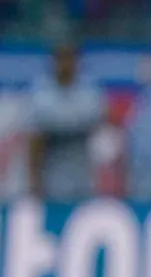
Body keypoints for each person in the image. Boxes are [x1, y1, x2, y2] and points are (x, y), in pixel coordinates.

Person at [28, 42, 107, 201]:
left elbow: (100, 125)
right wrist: (35, 184)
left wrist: (55, 126)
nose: (66, 65)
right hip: (51, 183)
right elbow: (35, 141)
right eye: (61, 59)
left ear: (78, 62)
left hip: (84, 182)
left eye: (70, 59)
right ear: (53, 62)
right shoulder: (41, 94)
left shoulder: (89, 92)